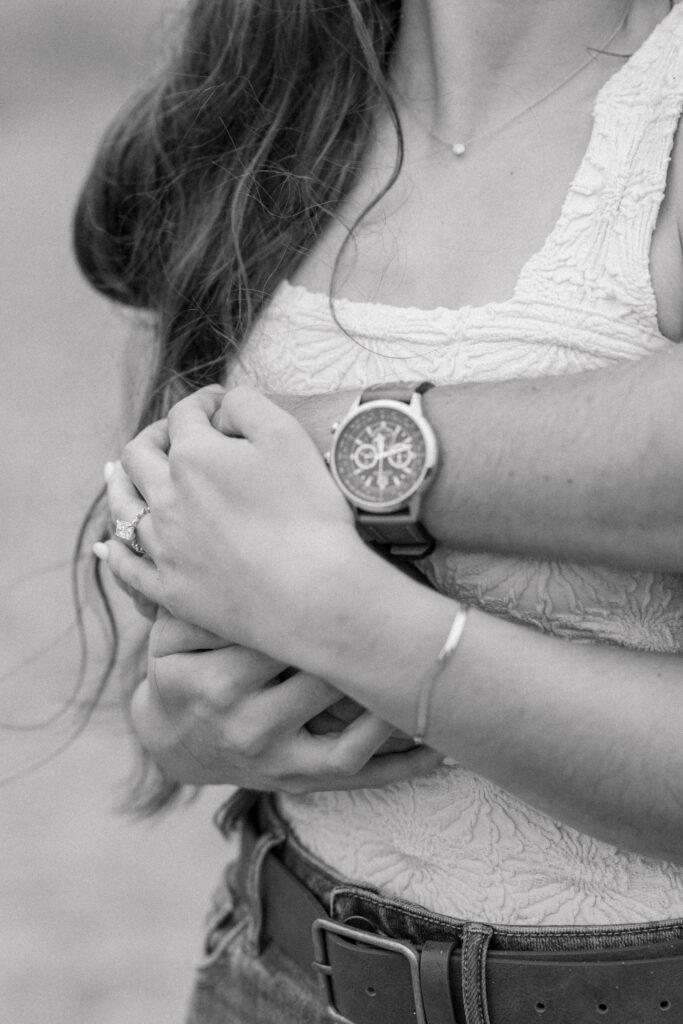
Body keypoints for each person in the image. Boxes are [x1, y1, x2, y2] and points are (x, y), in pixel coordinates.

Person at [77, 0, 683, 1021]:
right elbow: (177, 521)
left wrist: (353, 620)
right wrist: (182, 721)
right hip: (277, 970)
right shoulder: (266, 76)